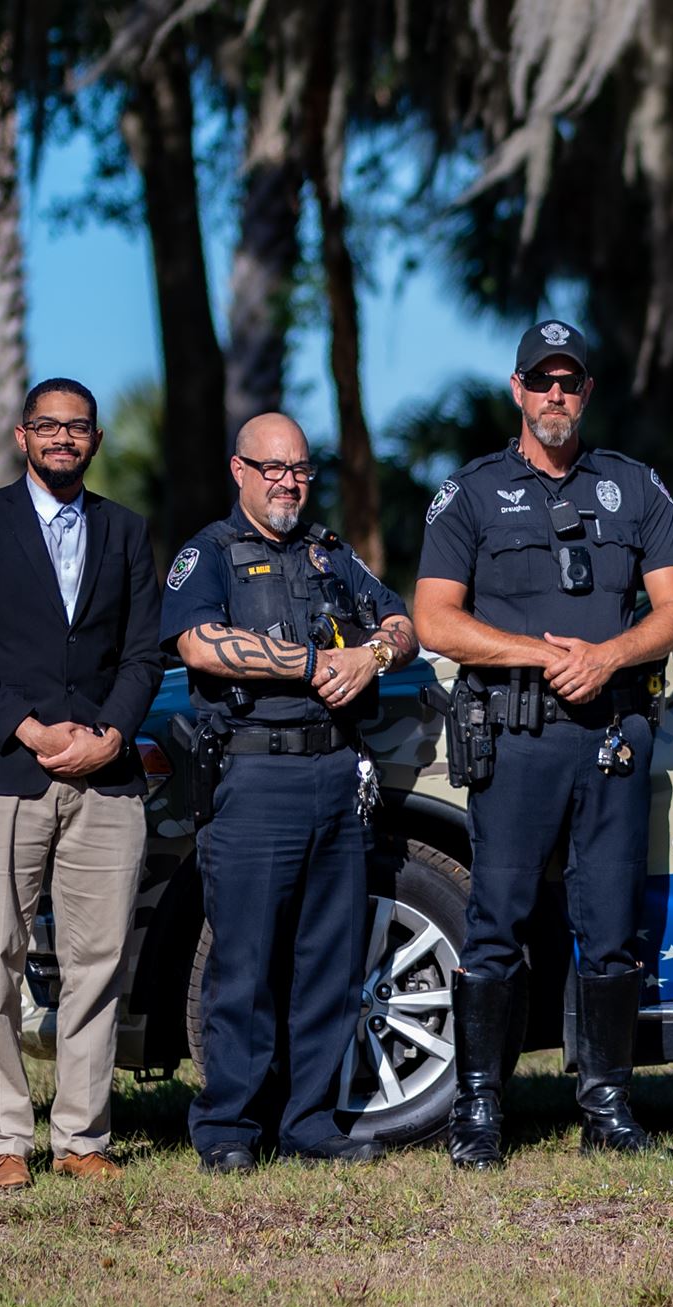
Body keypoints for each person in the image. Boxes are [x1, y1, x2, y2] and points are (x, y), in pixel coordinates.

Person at [414, 319, 673, 1169]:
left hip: (612, 734)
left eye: (570, 382)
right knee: (496, 923)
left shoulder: (633, 487)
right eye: (542, 381)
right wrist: (545, 657)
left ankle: (607, 1106)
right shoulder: (470, 493)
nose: (556, 396)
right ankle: (479, 1110)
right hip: (518, 736)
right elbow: (435, 620)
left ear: (587, 394)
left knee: (609, 926)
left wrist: (608, 656)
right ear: (518, 389)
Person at [162, 413, 419, 1174]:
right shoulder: (208, 554)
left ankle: (310, 1124)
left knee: (330, 962)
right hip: (254, 778)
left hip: (335, 773)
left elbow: (402, 623)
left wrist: (372, 657)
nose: (288, 484)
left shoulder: (330, 552)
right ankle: (229, 1129)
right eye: (273, 468)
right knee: (243, 964)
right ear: (239, 470)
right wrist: (309, 665)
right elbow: (197, 643)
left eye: (300, 469)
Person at [0, 377, 165, 1190]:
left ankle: (82, 1137)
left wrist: (112, 735)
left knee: (99, 960)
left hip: (106, 779)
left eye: (79, 427)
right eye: (49, 425)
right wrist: (29, 729)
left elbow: (143, 654)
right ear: (22, 436)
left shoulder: (126, 530)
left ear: (96, 441)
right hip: (3, 775)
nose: (64, 437)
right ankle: (2, 1139)